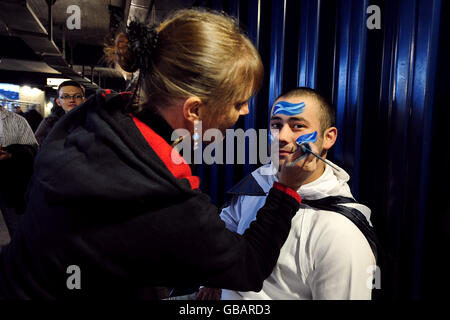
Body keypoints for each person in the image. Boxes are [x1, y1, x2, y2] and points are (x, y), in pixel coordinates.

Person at [0, 9, 319, 299]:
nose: (247, 111)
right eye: (237, 103)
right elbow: (248, 267)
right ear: (194, 109)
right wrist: (286, 189)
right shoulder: (160, 195)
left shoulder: (89, 116)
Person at [198, 87, 378, 300]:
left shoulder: (341, 232)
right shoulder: (260, 181)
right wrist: (214, 278)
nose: (282, 137)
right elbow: (226, 229)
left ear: (328, 138)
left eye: (297, 126)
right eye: (276, 125)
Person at [0, 103, 38, 242]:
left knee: (18, 232)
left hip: (11, 187)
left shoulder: (17, 121)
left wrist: (10, 154)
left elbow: (32, 150)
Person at [34, 81, 86, 145]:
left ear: (84, 101)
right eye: (66, 96)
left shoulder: (95, 120)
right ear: (58, 102)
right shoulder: (50, 122)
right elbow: (38, 145)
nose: (72, 100)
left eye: (77, 96)